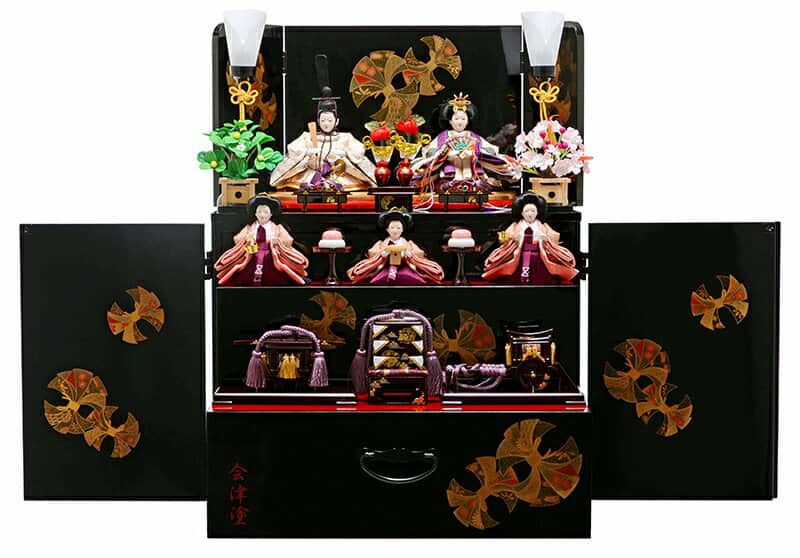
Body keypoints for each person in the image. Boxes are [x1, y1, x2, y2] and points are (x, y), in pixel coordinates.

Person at [269, 88, 376, 193]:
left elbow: (359, 162)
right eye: (323, 120)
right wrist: (308, 160)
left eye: (330, 120)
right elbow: (292, 160)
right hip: (310, 178)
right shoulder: (307, 137)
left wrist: (342, 163)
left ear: (337, 121)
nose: (326, 124)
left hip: (340, 178)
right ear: (318, 121)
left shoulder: (346, 138)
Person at [411, 92, 521, 194]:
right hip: (449, 170)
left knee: (469, 157)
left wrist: (475, 153)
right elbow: (431, 152)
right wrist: (446, 154)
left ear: (468, 121)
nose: (460, 122)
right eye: (456, 119)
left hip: (472, 168)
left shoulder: (473, 136)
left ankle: (468, 178)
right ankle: (456, 179)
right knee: (454, 158)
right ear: (450, 120)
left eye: (463, 119)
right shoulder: (443, 136)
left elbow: (490, 151)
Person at [482, 193, 578, 285]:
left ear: (537, 212)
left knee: (540, 266)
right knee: (516, 265)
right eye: (527, 211)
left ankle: (540, 281)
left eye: (533, 211)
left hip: (539, 253)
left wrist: (545, 238)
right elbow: (503, 236)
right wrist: (513, 237)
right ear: (521, 213)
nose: (530, 214)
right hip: (519, 253)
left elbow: (554, 235)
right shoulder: (516, 224)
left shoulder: (542, 225)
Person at [214, 194, 308, 286]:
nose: (262, 215)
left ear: (271, 214)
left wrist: (278, 241)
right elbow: (237, 239)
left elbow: (288, 240)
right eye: (259, 212)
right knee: (246, 267)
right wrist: (247, 238)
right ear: (255, 214)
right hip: (252, 253)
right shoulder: (250, 227)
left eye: (266, 212)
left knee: (275, 266)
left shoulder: (277, 228)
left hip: (272, 253)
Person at [347, 211, 444, 285]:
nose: (395, 230)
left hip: (405, 265)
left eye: (398, 228)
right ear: (387, 229)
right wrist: (385, 253)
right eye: (392, 227)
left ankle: (396, 273)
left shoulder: (407, 242)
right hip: (385, 265)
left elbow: (417, 253)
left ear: (402, 230)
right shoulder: (382, 243)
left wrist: (407, 253)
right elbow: (374, 253)